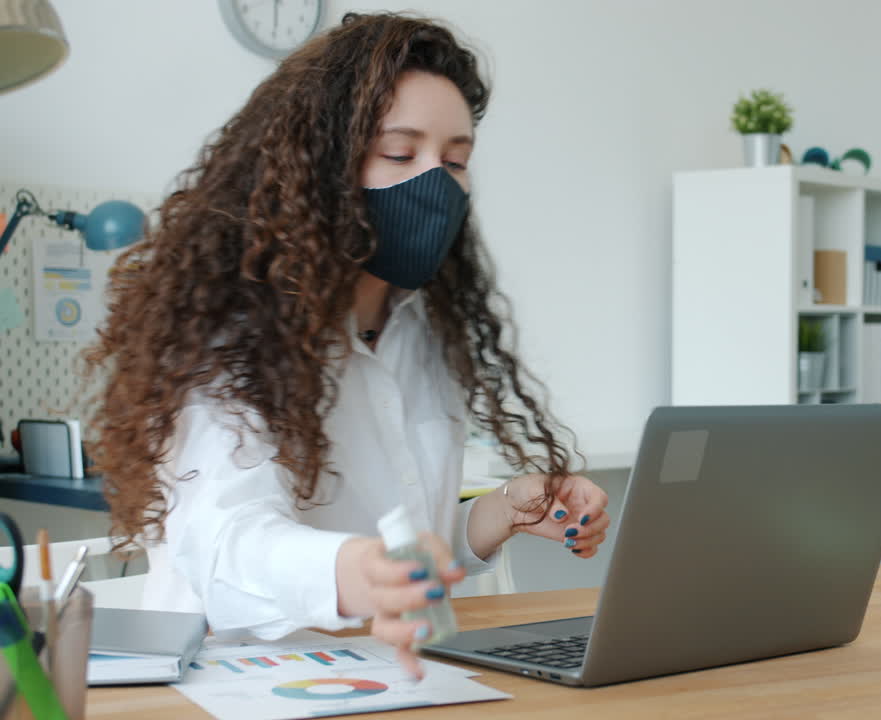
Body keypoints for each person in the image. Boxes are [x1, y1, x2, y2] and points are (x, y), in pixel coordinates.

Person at [83, 12, 610, 675]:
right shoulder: (234, 327)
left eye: (455, 161)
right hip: (227, 684)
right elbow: (223, 543)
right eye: (399, 153)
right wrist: (354, 568)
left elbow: (406, 547)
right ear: (320, 163)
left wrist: (507, 509)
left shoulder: (424, 328)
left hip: (376, 675)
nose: (434, 184)